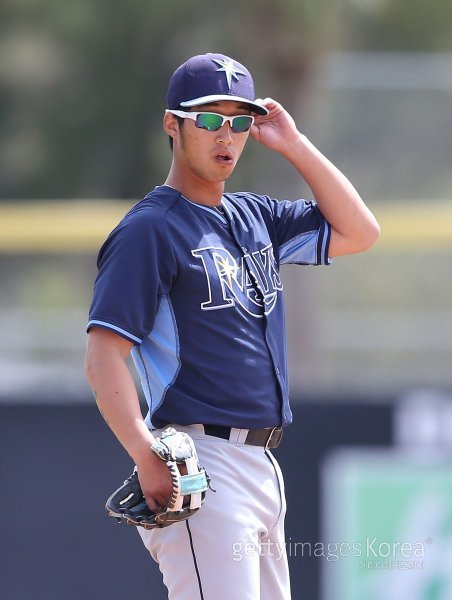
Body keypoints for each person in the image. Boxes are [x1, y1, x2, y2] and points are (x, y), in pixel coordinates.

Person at [84, 52, 380, 599]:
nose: (228, 135)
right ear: (172, 124)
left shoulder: (254, 216)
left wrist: (293, 144)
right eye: (210, 119)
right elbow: (104, 355)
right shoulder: (151, 230)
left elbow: (360, 230)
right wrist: (144, 453)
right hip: (203, 462)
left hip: (263, 463)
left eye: (240, 121)